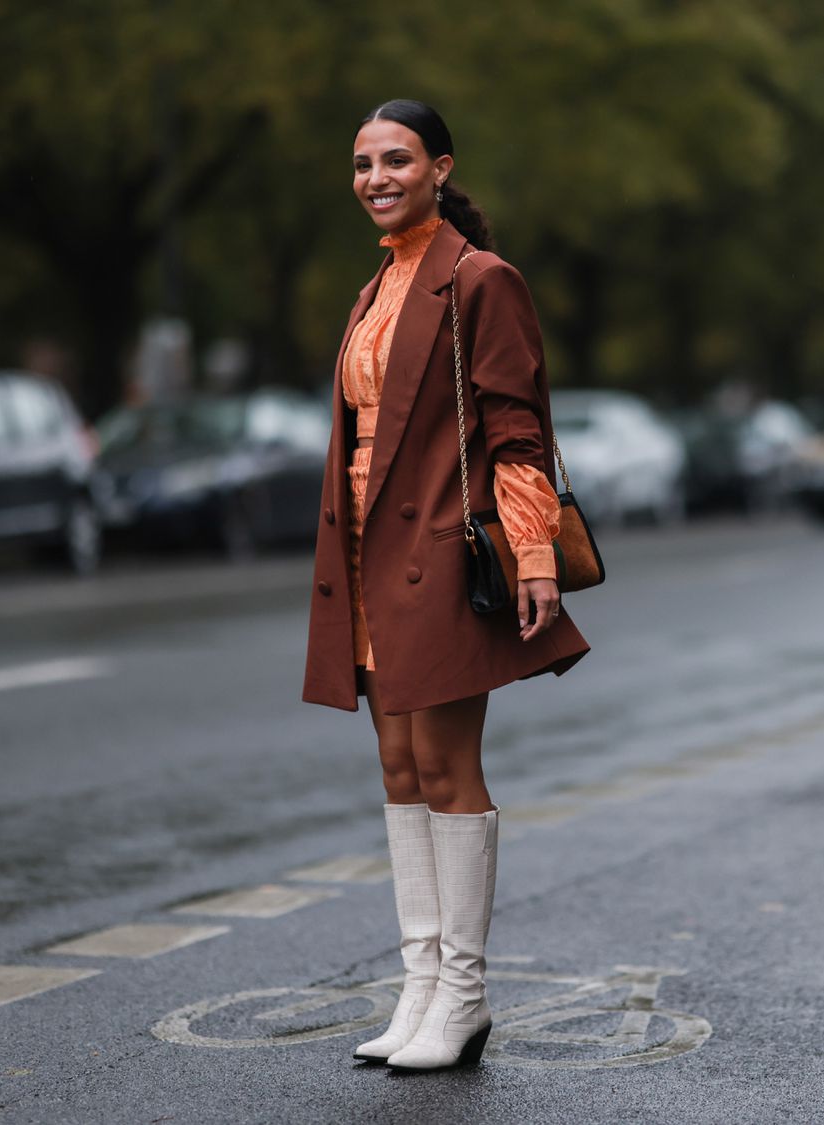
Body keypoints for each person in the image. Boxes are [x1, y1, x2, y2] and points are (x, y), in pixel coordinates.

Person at [301, 99, 589, 1071]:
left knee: (446, 767)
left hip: (435, 551)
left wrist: (535, 557)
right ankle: (419, 985)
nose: (376, 178)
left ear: (439, 168)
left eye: (396, 160)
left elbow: (516, 432)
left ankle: (463, 994)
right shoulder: (375, 285)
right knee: (396, 771)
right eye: (363, 164)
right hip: (362, 558)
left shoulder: (480, 280)